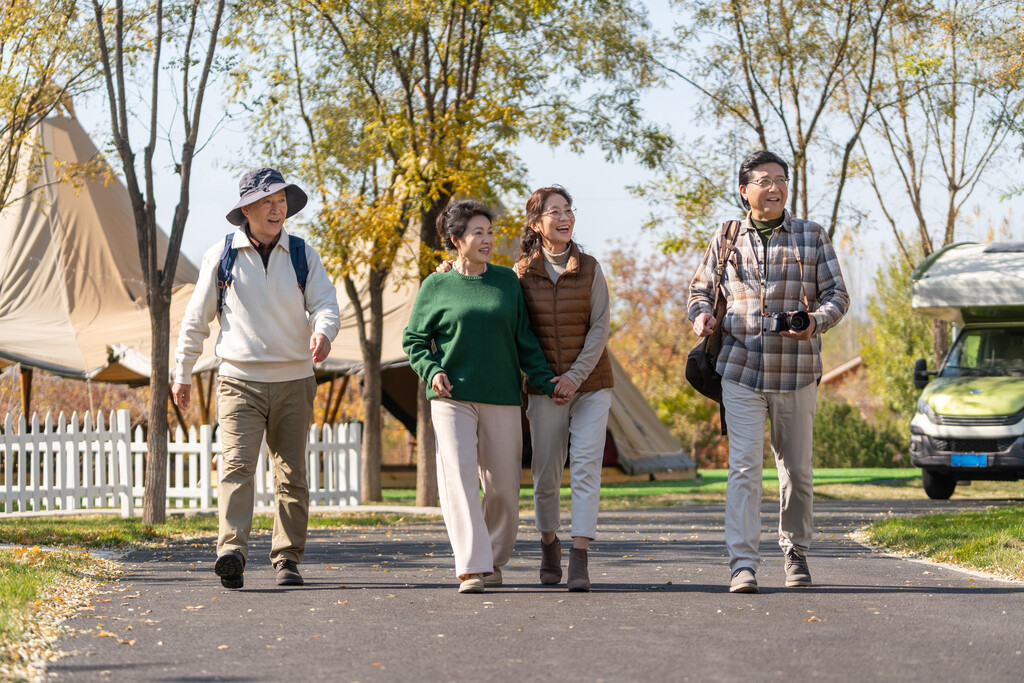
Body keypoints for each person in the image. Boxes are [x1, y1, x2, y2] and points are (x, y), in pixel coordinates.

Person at [687, 150, 849, 594]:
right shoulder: (726, 237)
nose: (774, 187)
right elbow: (699, 290)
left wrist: (815, 320)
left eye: (780, 179)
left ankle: (795, 550)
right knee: (742, 468)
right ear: (745, 190)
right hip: (739, 368)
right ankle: (743, 563)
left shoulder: (811, 236)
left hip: (797, 371)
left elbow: (838, 295)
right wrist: (701, 316)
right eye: (763, 180)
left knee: (796, 470)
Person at [171, 167, 340, 590]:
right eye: (267, 201)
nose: (277, 208)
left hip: (294, 380)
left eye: (282, 201)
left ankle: (287, 559)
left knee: (291, 474)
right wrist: (182, 373)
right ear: (245, 209)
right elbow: (195, 322)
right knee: (236, 466)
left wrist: (323, 331)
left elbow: (325, 304)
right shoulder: (221, 255)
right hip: (237, 381)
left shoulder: (303, 253)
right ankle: (231, 551)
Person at [402, 199, 560, 594]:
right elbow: (415, 340)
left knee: (504, 487)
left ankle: (493, 557)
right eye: (478, 233)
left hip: (502, 396)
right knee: (458, 479)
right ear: (456, 240)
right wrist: (432, 370)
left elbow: (524, 340)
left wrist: (547, 381)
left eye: (490, 232)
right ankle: (471, 566)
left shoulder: (507, 281)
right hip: (451, 397)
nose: (488, 239)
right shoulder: (435, 285)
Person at [515, 186, 613, 592]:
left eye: (568, 209)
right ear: (536, 223)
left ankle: (580, 558)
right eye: (554, 211)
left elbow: (600, 328)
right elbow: (519, 333)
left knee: (587, 468)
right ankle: (549, 543)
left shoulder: (589, 267)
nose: (564, 216)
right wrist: (548, 380)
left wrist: (575, 376)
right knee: (546, 475)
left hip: (591, 385)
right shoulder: (520, 273)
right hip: (543, 389)